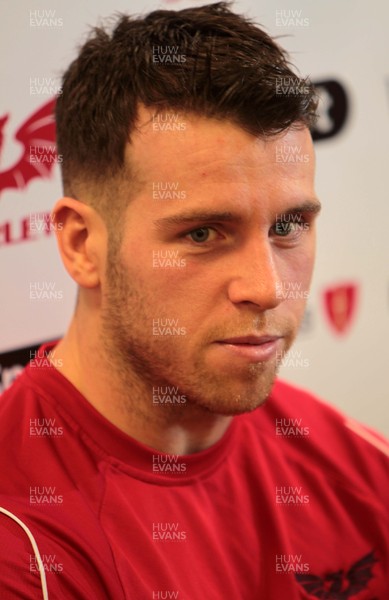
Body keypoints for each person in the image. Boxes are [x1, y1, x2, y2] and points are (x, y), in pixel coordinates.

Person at [0, 2, 388, 598]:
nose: (267, 287)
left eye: (288, 225)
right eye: (202, 234)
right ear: (82, 244)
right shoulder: (21, 539)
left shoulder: (358, 468)